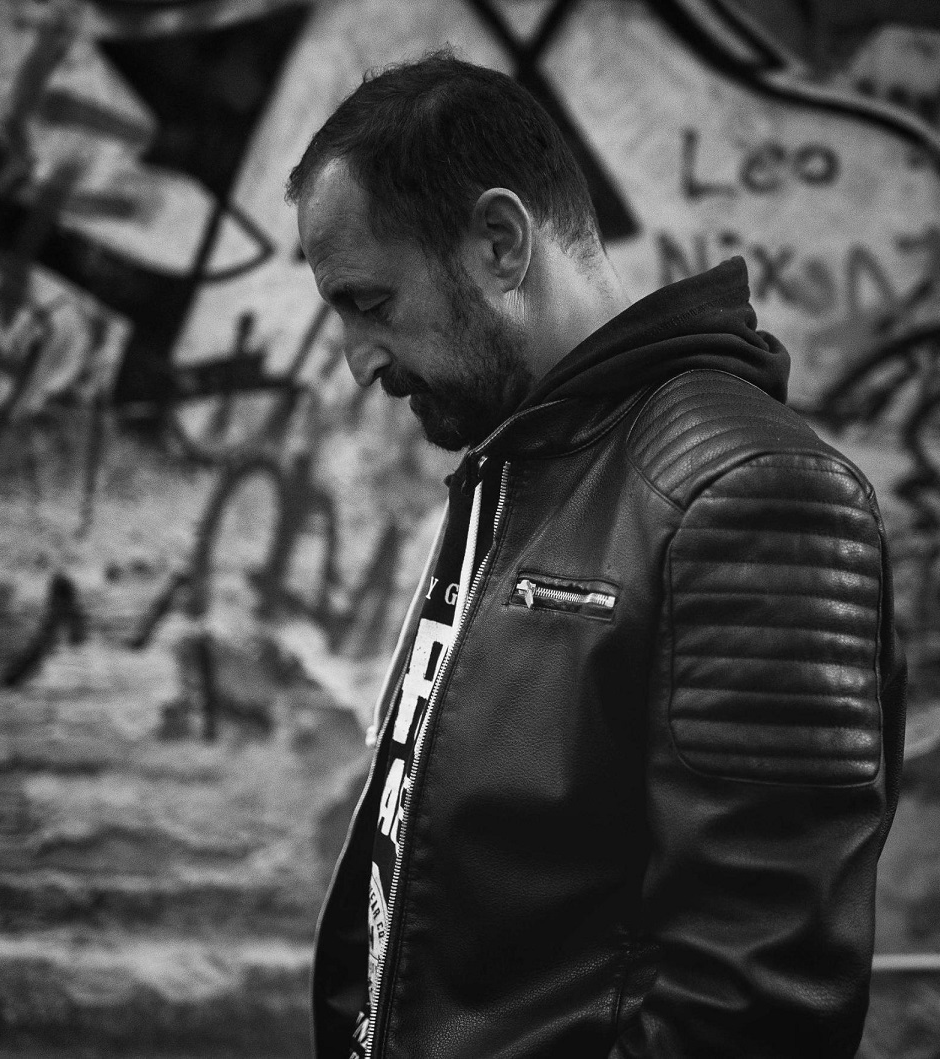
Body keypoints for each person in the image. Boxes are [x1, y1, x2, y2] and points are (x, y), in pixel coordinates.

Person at [288, 51, 905, 1059]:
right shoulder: (527, 463)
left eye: (371, 303)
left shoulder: (744, 493)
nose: (358, 362)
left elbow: (756, 1012)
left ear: (499, 243)